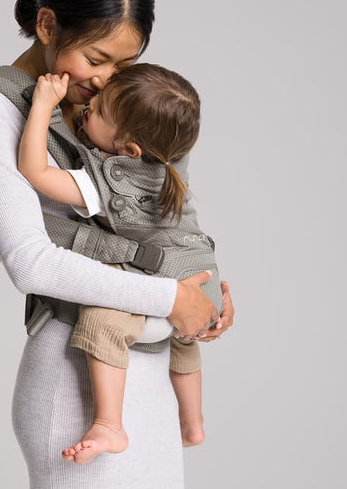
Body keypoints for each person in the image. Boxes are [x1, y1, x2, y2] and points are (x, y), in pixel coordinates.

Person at [0, 0, 234, 489]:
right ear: (47, 25)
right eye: (96, 58)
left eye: (123, 66)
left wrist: (202, 288)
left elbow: (159, 215)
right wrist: (173, 298)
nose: (106, 80)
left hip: (150, 369)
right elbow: (31, 263)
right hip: (75, 380)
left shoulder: (119, 105)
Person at [18, 64, 223, 465]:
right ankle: (193, 421)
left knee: (102, 320)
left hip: (167, 292)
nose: (89, 104)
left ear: (129, 151)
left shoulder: (108, 183)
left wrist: (42, 106)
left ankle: (109, 424)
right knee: (183, 341)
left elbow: (35, 171)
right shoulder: (173, 162)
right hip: (206, 284)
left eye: (100, 110)